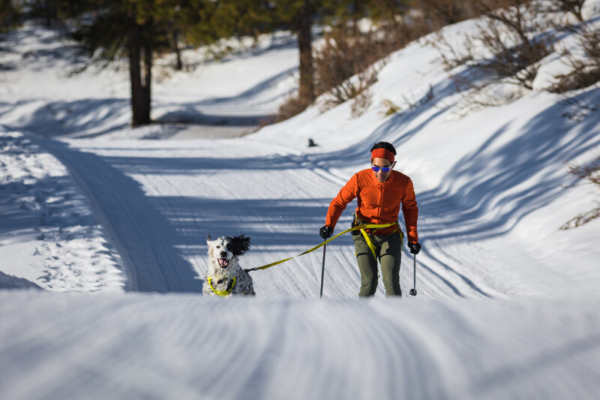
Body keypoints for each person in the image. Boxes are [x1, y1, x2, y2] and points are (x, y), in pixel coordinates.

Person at [319, 142, 420, 297]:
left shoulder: (403, 182)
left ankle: (396, 320)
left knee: (392, 283)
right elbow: (339, 202)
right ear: (371, 163)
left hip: (390, 234)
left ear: (393, 164)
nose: (380, 172)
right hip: (364, 234)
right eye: (376, 167)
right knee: (369, 282)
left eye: (386, 168)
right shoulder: (360, 178)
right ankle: (363, 320)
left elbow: (410, 208)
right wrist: (329, 225)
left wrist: (413, 238)